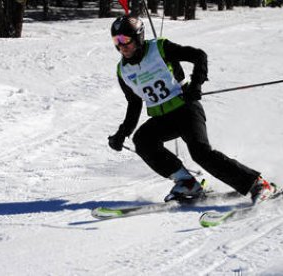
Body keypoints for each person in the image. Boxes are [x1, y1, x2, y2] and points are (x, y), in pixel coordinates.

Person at [107, 15, 277, 204]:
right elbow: (134, 104)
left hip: (186, 109)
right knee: (143, 140)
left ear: (138, 37)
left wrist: (196, 85)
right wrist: (122, 134)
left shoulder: (159, 48)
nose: (121, 46)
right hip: (164, 119)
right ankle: (186, 182)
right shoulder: (123, 71)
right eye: (116, 41)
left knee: (200, 153)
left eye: (125, 40)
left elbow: (198, 56)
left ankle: (257, 183)